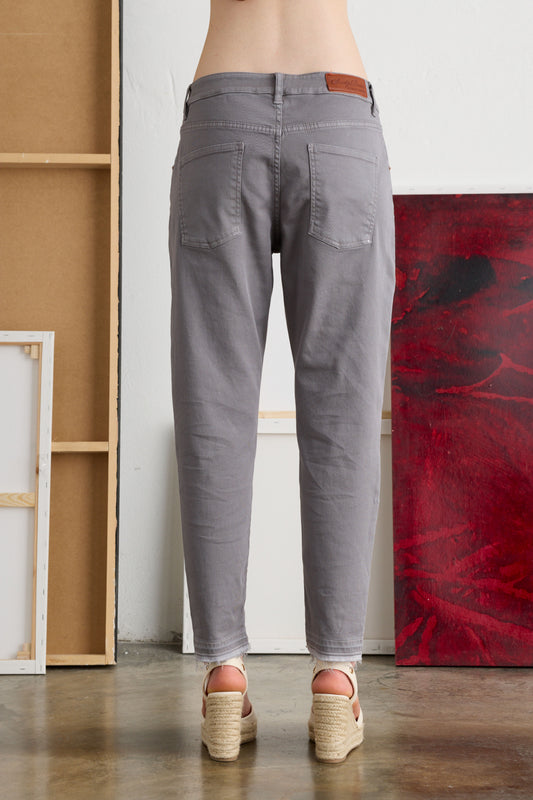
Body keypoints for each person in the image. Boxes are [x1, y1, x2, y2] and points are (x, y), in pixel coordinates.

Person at [168, 0, 396, 763]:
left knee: (213, 404)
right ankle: (334, 678)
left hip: (221, 109)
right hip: (337, 112)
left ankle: (223, 676)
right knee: (343, 408)